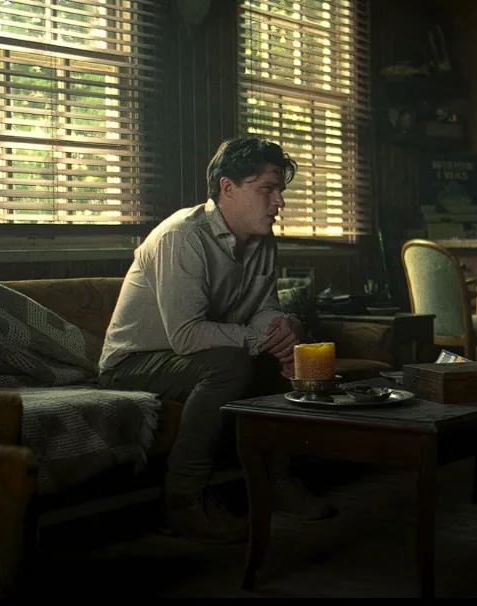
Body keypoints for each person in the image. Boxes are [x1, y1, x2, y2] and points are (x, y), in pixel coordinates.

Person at [99, 136, 334, 544]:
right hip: (133, 364)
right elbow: (188, 335)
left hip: (199, 354)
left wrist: (286, 329)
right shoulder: (182, 236)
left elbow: (263, 308)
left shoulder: (262, 239)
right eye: (268, 189)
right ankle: (182, 500)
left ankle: (277, 480)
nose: (279, 202)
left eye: (280, 191)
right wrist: (262, 340)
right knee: (233, 364)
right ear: (228, 188)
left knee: (290, 352)